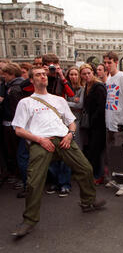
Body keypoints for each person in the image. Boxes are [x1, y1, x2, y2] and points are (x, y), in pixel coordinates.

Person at [11, 67, 106, 238]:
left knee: (86, 169)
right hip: (41, 142)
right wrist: (39, 140)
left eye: (44, 74)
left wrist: (70, 135)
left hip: (64, 139)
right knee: (34, 182)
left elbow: (72, 122)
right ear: (32, 80)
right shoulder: (26, 102)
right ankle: (29, 221)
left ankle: (88, 202)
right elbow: (18, 129)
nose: (42, 77)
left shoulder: (59, 100)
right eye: (38, 75)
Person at [42, 54, 74, 197]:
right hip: (45, 119)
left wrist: (62, 76)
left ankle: (65, 183)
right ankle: (55, 181)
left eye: (55, 64)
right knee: (51, 153)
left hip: (60, 118)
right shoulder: (41, 77)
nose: (52, 68)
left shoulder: (61, 78)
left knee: (64, 152)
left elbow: (71, 94)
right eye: (49, 65)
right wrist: (44, 74)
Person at [103, 51, 123, 195]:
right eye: (105, 63)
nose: (107, 65)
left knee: (121, 153)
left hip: (121, 122)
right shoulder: (108, 79)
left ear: (116, 62)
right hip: (109, 122)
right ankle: (115, 178)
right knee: (112, 153)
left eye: (109, 62)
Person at [80, 64, 107, 185]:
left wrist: (92, 120)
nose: (86, 76)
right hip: (90, 125)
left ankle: (98, 175)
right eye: (84, 74)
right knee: (91, 150)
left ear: (93, 73)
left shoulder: (98, 86)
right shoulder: (87, 86)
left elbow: (101, 107)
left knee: (96, 151)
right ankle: (93, 174)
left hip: (98, 125)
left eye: (88, 73)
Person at [1, 63, 24, 186]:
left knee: (16, 152)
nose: (3, 77)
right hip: (11, 124)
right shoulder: (11, 86)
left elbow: (16, 110)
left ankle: (20, 177)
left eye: (5, 74)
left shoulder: (14, 88)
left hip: (13, 125)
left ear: (11, 74)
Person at [64, 66, 85, 149]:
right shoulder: (65, 88)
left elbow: (80, 105)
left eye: (76, 74)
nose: (73, 77)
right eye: (71, 74)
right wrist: (73, 103)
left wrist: (66, 103)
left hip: (77, 119)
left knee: (77, 143)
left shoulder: (82, 89)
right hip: (66, 120)